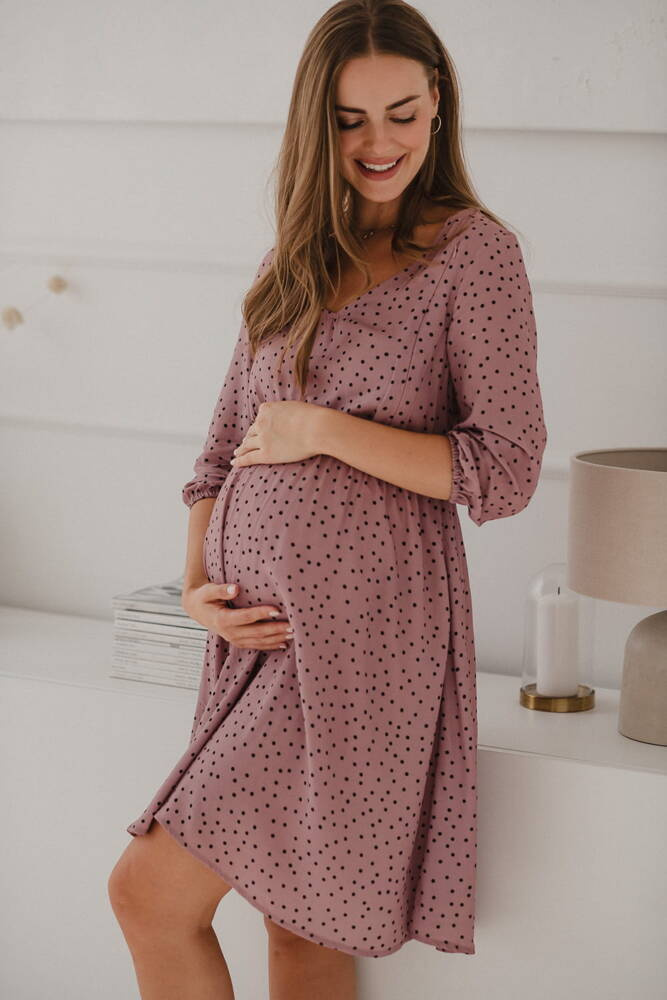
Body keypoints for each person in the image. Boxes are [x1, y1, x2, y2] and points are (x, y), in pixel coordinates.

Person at [108, 2, 548, 998]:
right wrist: (195, 587)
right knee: (288, 925)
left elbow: (506, 466)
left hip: (367, 647)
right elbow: (217, 456)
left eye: (401, 113)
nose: (378, 142)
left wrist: (322, 428)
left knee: (172, 899)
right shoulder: (292, 262)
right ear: (317, 123)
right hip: (255, 649)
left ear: (438, 104)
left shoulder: (472, 254)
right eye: (350, 121)